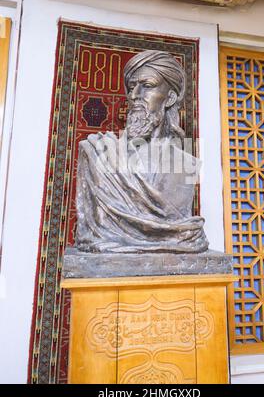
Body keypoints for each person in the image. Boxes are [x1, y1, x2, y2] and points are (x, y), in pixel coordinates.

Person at [75, 50, 208, 253]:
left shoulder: (187, 161)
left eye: (147, 86)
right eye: (131, 87)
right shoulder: (99, 151)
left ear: (170, 97)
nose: (134, 95)